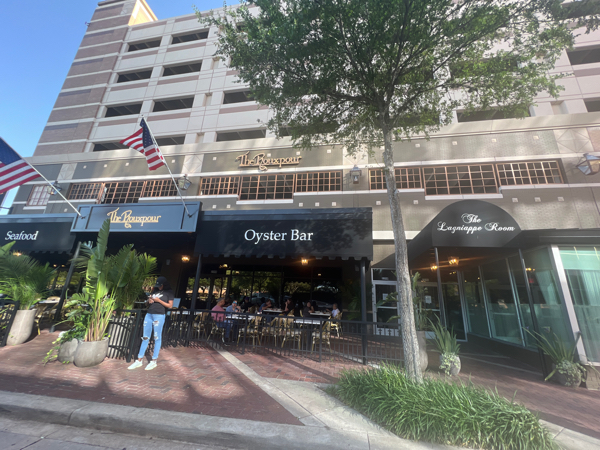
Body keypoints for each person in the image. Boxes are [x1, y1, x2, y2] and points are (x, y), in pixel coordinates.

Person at [128, 276, 174, 371]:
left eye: (160, 285)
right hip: (149, 314)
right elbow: (146, 303)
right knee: (145, 337)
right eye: (158, 285)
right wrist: (148, 301)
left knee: (157, 337)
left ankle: (154, 361)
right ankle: (139, 360)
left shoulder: (169, 292)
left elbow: (170, 306)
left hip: (159, 315)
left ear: (164, 284)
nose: (159, 287)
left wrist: (159, 301)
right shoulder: (155, 291)